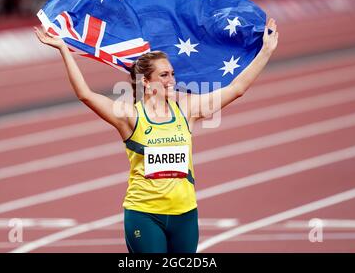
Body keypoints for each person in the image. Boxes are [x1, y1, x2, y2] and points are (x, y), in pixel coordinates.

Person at [34, 18, 278, 253]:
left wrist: (265, 52)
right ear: (147, 83)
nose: (172, 80)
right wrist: (64, 50)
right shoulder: (130, 117)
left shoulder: (187, 111)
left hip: (185, 213)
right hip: (144, 214)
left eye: (172, 74)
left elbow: (236, 89)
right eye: (164, 75)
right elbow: (85, 94)